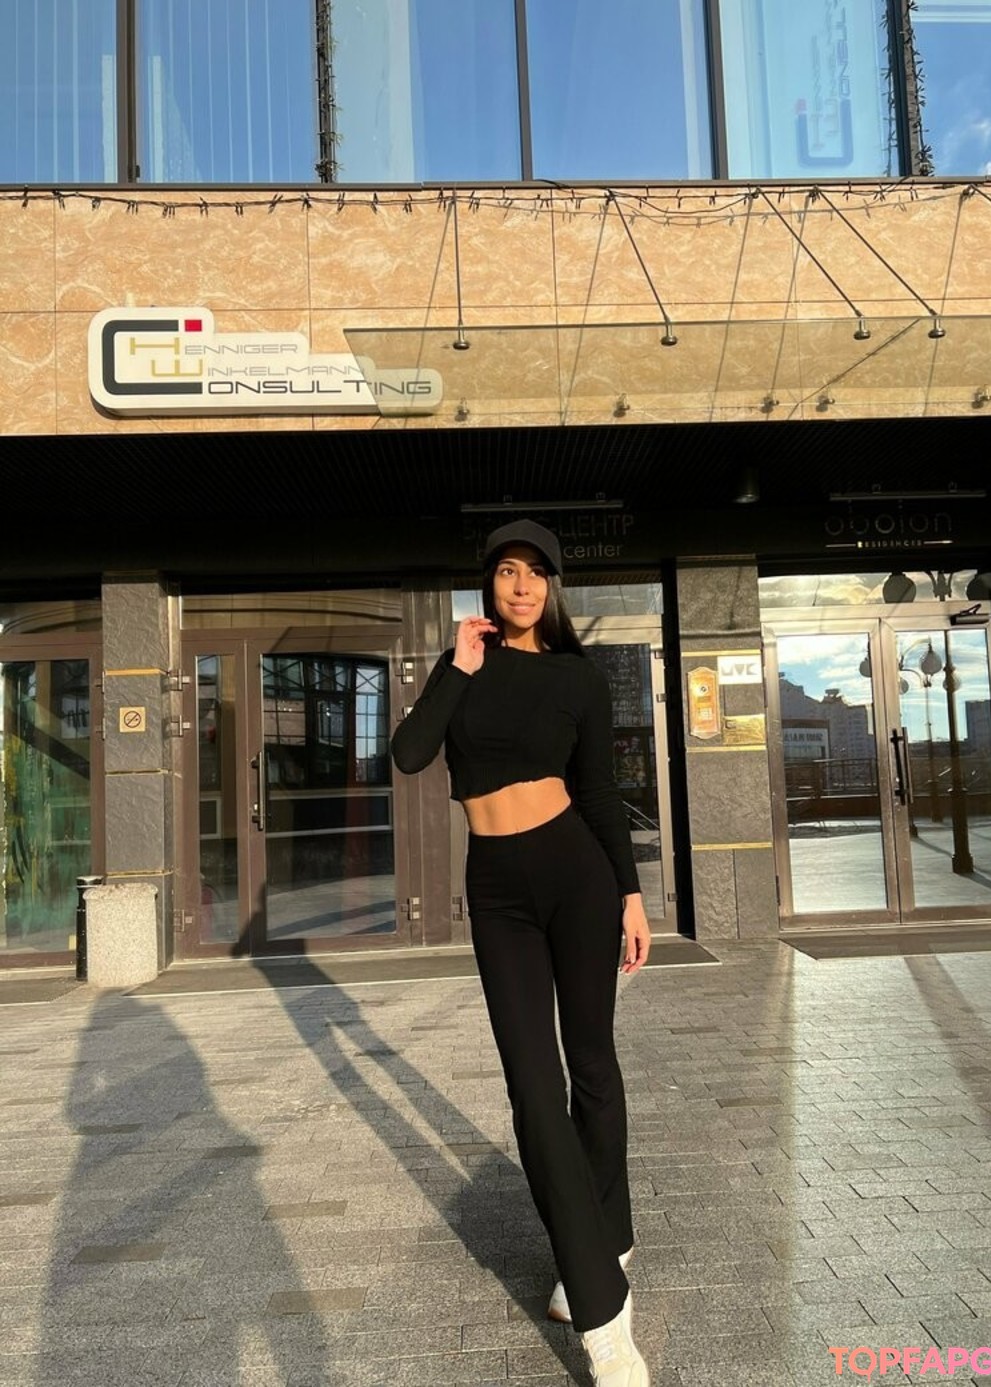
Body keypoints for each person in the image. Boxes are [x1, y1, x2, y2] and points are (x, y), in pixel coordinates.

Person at [391, 518, 651, 1387]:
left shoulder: (578, 676)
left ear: (554, 586)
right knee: (533, 1089)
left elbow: (600, 791)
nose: (523, 585)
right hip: (498, 889)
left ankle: (610, 1239)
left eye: (537, 572)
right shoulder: (465, 664)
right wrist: (457, 665)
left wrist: (631, 895)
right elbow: (410, 753)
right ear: (489, 585)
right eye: (508, 570)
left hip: (577, 876)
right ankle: (604, 1311)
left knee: (593, 1067)